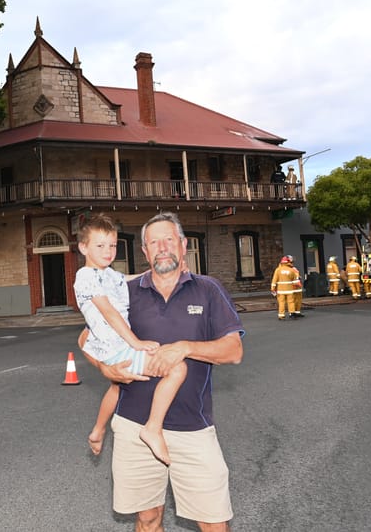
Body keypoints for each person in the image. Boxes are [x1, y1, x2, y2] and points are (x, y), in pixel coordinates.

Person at [79, 211, 244, 532]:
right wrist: (106, 368)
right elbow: (85, 337)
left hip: (192, 428)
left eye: (169, 239)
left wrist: (184, 347)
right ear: (145, 251)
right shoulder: (126, 291)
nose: (163, 247)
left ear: (183, 245)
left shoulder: (208, 289)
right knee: (147, 519)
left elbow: (233, 350)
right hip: (132, 428)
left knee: (213, 523)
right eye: (154, 242)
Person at [75, 213, 185, 465]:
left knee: (118, 386)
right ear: (83, 247)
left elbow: (129, 280)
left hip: (111, 346)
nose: (108, 251)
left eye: (112, 245)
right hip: (115, 347)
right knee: (177, 368)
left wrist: (160, 270)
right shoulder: (86, 276)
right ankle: (153, 428)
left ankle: (97, 430)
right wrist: (135, 342)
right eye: (100, 246)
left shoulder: (108, 274)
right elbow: (109, 313)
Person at [271, 255, 301, 320]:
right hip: (289, 289)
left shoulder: (278, 270)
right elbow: (295, 281)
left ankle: (281, 315)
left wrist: (273, 288)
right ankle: (292, 314)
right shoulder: (291, 270)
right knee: (291, 302)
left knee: (281, 302)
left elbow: (274, 280)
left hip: (280, 290)